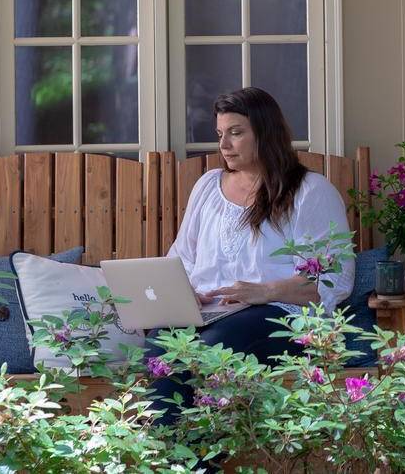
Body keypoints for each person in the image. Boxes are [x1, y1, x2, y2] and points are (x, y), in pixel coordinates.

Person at [146, 87, 354, 423]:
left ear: (265, 133)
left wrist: (263, 292)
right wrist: (187, 294)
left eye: (236, 133)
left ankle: (195, 462)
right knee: (160, 345)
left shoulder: (309, 192)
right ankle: (177, 461)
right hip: (207, 312)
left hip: (279, 316)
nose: (224, 145)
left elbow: (335, 279)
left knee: (215, 347)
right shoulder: (208, 186)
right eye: (220, 134)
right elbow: (181, 259)